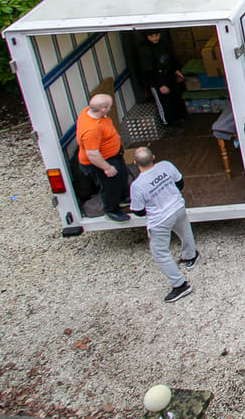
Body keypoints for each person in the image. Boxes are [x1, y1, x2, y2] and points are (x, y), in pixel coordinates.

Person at [129, 146, 198, 303]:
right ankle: (191, 256)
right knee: (185, 232)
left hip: (160, 219)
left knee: (160, 252)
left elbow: (138, 211)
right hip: (178, 207)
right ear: (153, 157)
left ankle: (180, 285)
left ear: (135, 163)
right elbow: (180, 183)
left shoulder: (137, 185)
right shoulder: (166, 165)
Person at [76, 93, 130, 222]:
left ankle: (123, 198)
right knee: (110, 186)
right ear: (103, 109)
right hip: (101, 162)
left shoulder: (88, 111)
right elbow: (92, 154)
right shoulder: (92, 130)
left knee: (121, 177)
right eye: (110, 106)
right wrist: (106, 167)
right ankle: (111, 210)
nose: (111, 107)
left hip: (114, 156)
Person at [136, 31, 187, 129]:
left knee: (174, 98)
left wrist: (176, 70)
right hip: (157, 81)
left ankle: (177, 118)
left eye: (157, 35)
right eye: (152, 36)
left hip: (168, 76)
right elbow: (148, 71)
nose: (155, 38)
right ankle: (167, 123)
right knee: (163, 103)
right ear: (147, 37)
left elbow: (170, 59)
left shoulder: (162, 44)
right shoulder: (144, 50)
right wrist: (159, 85)